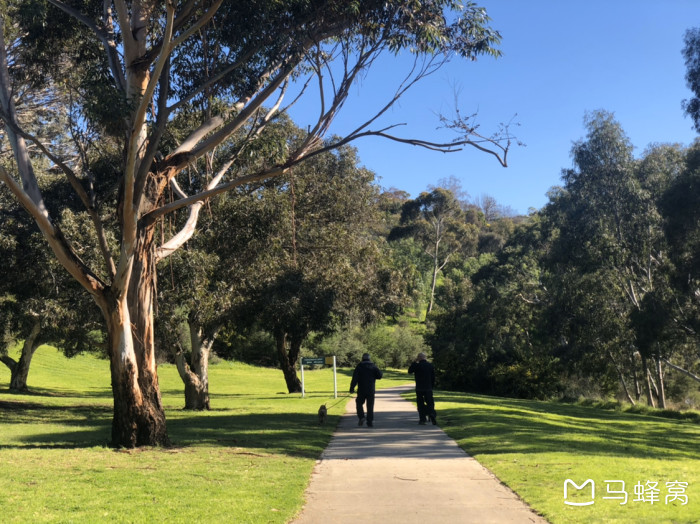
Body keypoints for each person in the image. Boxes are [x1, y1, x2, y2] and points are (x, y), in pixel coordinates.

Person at [349, 353, 383, 427]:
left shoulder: (359, 366)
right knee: (370, 406)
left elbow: (355, 378)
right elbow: (380, 376)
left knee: (359, 403)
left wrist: (352, 388)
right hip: (371, 389)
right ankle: (370, 422)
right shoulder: (373, 366)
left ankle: (361, 417)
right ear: (369, 358)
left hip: (361, 389)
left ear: (362, 358)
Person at [408, 352, 436, 425]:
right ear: (425, 357)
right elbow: (433, 377)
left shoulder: (417, 366)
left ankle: (422, 419)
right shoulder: (430, 365)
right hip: (428, 387)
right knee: (430, 402)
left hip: (419, 387)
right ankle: (432, 413)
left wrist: (414, 362)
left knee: (420, 403)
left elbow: (409, 371)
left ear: (419, 358)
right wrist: (432, 386)